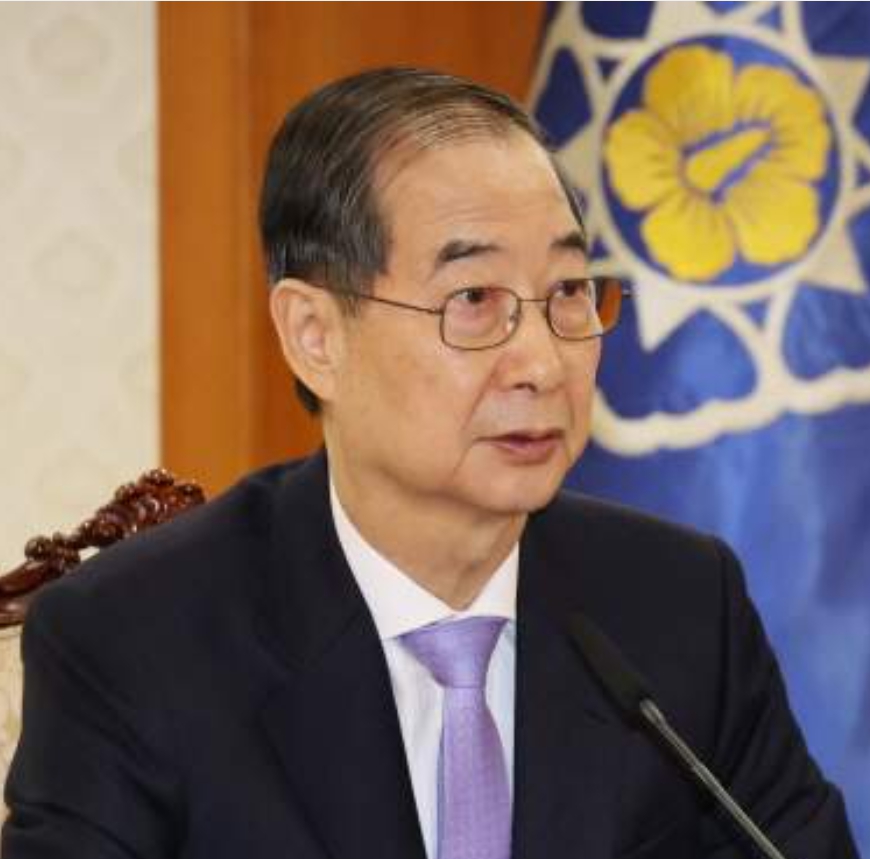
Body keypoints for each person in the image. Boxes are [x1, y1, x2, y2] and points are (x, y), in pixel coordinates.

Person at [2, 68, 858, 859]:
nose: (542, 362)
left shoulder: (680, 606)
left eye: (567, 291)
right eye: (474, 299)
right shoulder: (135, 640)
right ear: (315, 336)